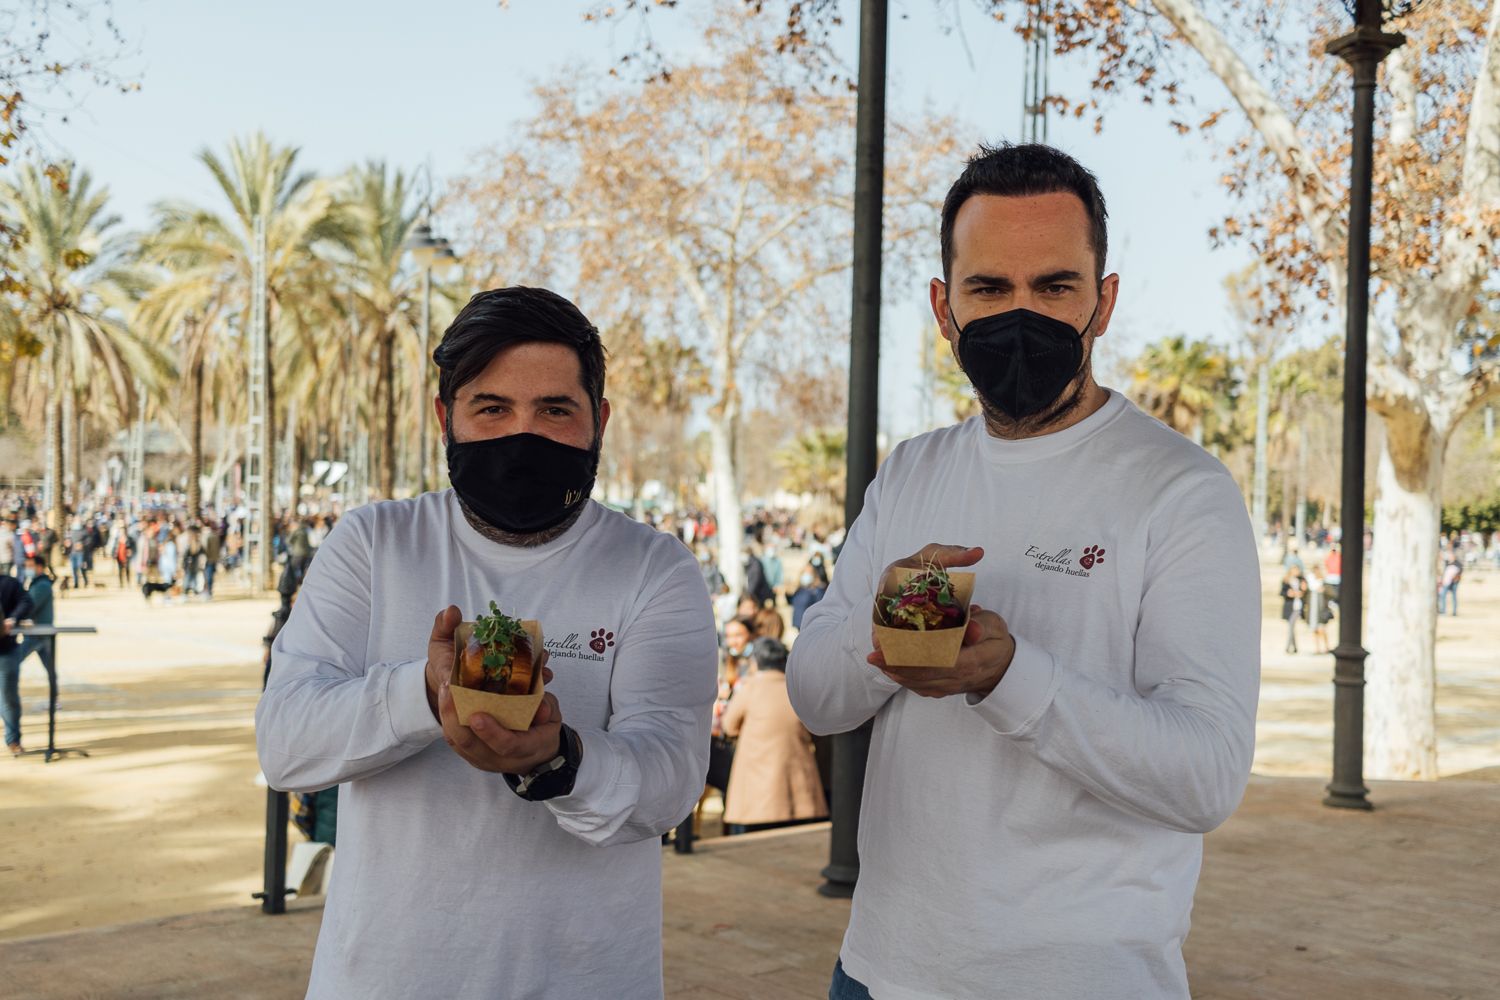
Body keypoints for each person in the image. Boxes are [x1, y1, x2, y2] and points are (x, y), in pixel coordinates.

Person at [786, 143, 1260, 1000]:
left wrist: (1009, 676)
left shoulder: (1181, 490)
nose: (1021, 313)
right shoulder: (912, 471)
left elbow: (1207, 775)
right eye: (989, 288)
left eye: (1054, 287)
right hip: (880, 970)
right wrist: (890, 621)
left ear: (1103, 302)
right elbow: (817, 696)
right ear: (943, 306)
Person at [255, 286, 718, 999]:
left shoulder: (654, 568)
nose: (521, 435)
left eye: (555, 410)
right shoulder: (374, 545)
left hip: (587, 979)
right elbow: (285, 744)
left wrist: (561, 761)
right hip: (382, 978)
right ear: (446, 417)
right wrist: (422, 691)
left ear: (599, 421)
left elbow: (670, 779)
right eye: (492, 408)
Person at [721, 636, 827, 835]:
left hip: (756, 792)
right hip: (797, 786)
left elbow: (729, 726)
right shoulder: (798, 688)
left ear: (755, 662)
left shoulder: (750, 687)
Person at [1, 560, 38, 754]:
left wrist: (12, 619)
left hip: (6, 649)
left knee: (8, 697)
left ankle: (13, 740)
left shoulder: (9, 583)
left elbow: (27, 602)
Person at [1280, 566, 1308, 654]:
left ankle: (1288, 647)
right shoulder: (1286, 580)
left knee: (1291, 625)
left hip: (1298, 606)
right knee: (1291, 627)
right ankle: (1295, 647)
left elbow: (1305, 592)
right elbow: (1282, 592)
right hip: (1290, 606)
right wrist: (1289, 593)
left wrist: (1303, 591)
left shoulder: (1301, 580)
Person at [1437, 550, 1462, 616]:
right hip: (1446, 582)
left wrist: (1455, 579)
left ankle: (1454, 612)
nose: (1450, 557)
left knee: (1453, 597)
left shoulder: (1458, 564)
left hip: (1454, 583)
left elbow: (1459, 573)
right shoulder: (1447, 563)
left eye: (1451, 556)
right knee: (1442, 595)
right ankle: (1443, 610)